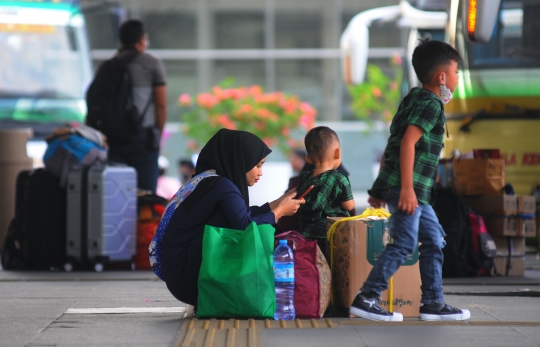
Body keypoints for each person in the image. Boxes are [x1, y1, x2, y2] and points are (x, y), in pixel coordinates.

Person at [350, 39, 470, 322]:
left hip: (416, 193)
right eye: (455, 73)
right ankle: (366, 297)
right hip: (410, 190)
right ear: (442, 77)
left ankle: (432, 302)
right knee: (404, 243)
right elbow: (406, 144)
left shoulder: (413, 99)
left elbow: (392, 144)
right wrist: (403, 189)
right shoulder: (430, 104)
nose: (456, 80)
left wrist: (381, 187)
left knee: (434, 239)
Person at [158, 129, 304, 307]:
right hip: (188, 279)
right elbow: (245, 225)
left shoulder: (211, 180)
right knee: (252, 229)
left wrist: (279, 203)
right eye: (258, 165)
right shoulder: (222, 186)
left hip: (179, 275)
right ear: (240, 161)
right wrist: (279, 212)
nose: (261, 172)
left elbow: (242, 214)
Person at [107, 19, 167, 193]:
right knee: (145, 195)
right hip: (143, 139)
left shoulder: (107, 66)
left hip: (113, 139)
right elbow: (161, 105)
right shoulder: (152, 64)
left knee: (116, 193)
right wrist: (158, 136)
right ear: (141, 40)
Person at [296, 126, 355, 256]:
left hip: (308, 233)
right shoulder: (340, 178)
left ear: (309, 159)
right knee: (335, 267)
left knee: (316, 267)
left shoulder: (305, 178)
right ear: (337, 153)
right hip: (333, 233)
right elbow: (349, 205)